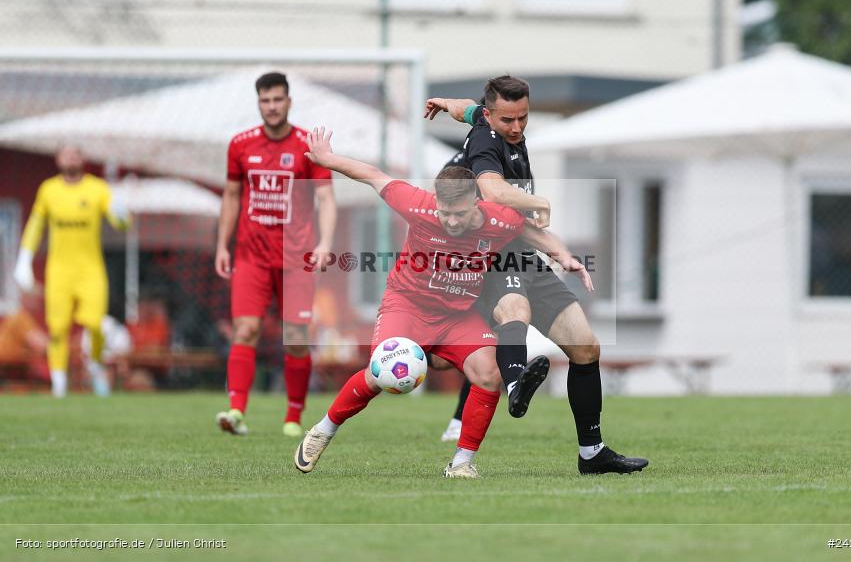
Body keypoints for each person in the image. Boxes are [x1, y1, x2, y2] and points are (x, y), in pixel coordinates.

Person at [293, 127, 592, 478]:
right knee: (380, 375)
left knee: (488, 373)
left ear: (476, 203)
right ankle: (323, 430)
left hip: (457, 316)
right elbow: (373, 176)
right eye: (444, 212)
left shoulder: (498, 219)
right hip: (407, 307)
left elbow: (531, 233)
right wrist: (328, 160)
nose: (450, 221)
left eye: (459, 214)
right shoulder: (418, 206)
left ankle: (462, 464)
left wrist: (564, 255)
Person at [424, 76, 649, 474]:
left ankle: (592, 453)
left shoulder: (483, 118)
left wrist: (443, 102)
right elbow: (491, 190)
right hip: (488, 255)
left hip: (524, 251)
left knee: (586, 347)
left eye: (523, 118)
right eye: (507, 119)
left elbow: (465, 107)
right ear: (491, 116)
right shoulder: (485, 141)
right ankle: (514, 386)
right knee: (515, 308)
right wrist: (537, 201)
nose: (516, 127)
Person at [215, 72, 337, 438]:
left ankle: (294, 416)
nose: (271, 107)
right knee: (246, 328)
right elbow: (232, 196)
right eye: (265, 101)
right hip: (251, 255)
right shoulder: (240, 144)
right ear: (259, 104)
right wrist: (222, 244)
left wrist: (325, 243)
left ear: (289, 101)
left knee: (296, 335)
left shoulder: (306, 146)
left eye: (277, 100)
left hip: (296, 257)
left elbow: (326, 198)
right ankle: (236, 411)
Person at [13, 146, 129, 397]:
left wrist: (121, 213)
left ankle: (95, 364)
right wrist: (24, 258)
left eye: (76, 153)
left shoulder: (97, 188)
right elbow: (35, 224)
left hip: (90, 269)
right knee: (57, 328)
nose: (71, 158)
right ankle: (59, 384)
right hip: (59, 271)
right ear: (57, 159)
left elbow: (120, 221)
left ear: (82, 159)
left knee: (96, 324)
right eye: (66, 154)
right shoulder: (48, 190)